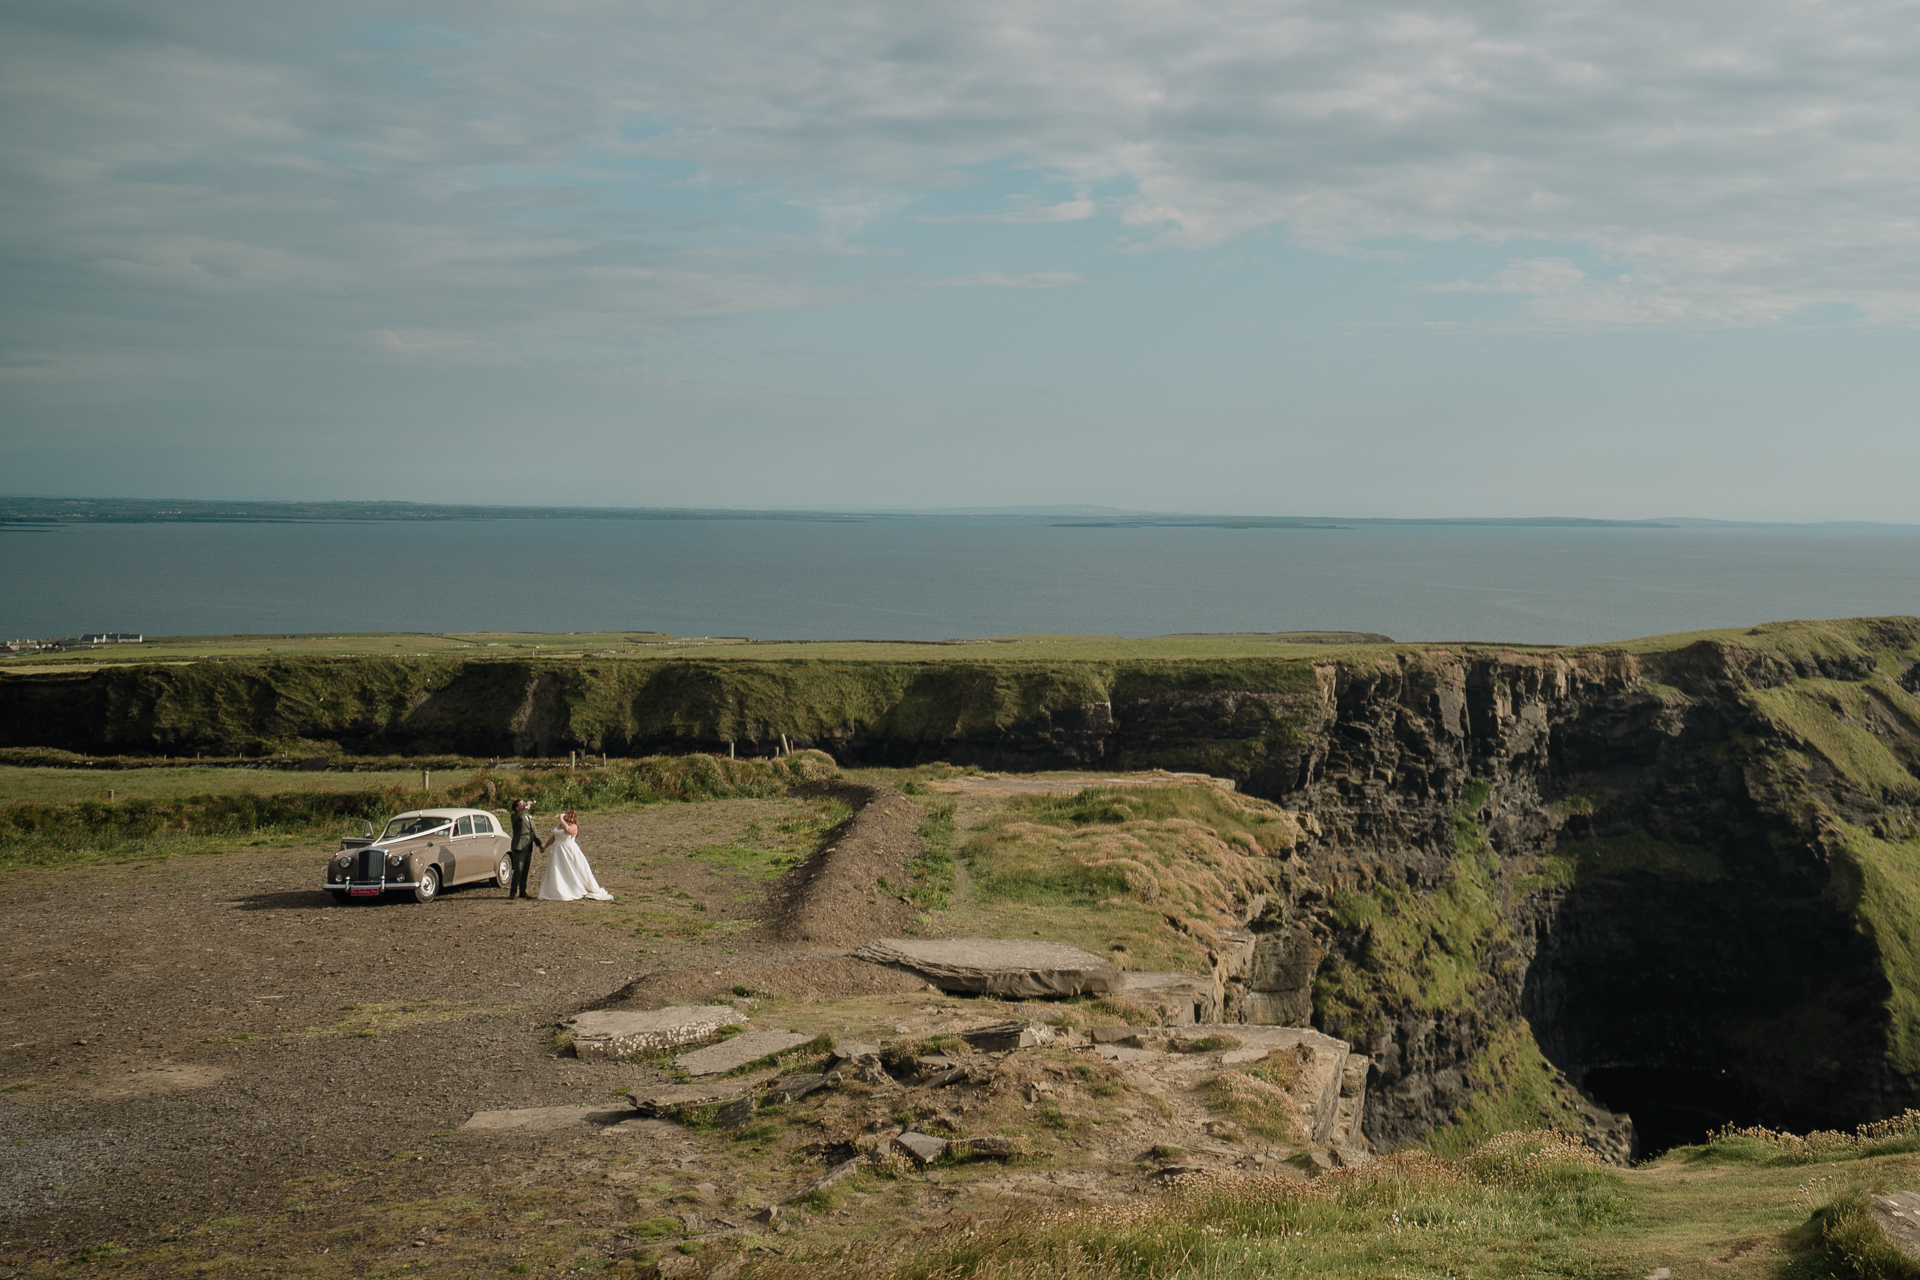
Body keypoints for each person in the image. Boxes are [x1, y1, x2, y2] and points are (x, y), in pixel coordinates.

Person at [539, 808, 613, 902]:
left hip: (568, 850)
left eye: (567, 814)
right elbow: (554, 837)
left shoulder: (574, 826)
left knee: (572, 869)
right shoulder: (559, 826)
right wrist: (545, 846)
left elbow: (568, 830)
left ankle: (576, 888)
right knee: (557, 869)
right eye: (565, 813)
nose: (565, 815)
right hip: (557, 850)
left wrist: (561, 819)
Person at [506, 798, 545, 900]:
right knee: (518, 869)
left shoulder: (527, 816)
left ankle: (523, 891)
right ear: (517, 807)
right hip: (519, 846)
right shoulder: (515, 816)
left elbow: (533, 831)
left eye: (524, 803)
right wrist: (526, 808)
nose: (523, 805)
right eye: (521, 804)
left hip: (528, 846)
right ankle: (513, 891)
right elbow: (520, 818)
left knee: (525, 870)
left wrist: (539, 843)